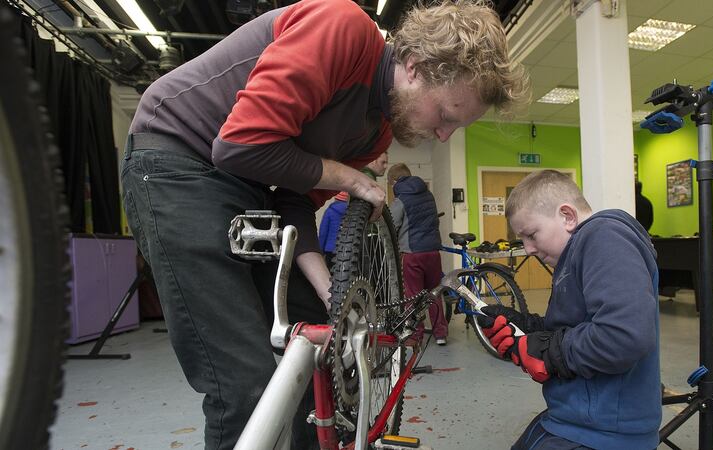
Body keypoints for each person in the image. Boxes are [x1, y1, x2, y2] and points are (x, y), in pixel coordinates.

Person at [120, 0, 528, 447]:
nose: (444, 134)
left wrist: (329, 290)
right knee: (244, 382)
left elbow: (294, 202)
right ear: (415, 66)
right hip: (176, 165)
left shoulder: (378, 131)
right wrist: (351, 178)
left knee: (319, 346)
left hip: (247, 189)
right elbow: (239, 145)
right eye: (447, 115)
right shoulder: (344, 29)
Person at [477, 170, 661, 449]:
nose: (527, 249)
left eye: (532, 235)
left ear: (567, 216)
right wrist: (527, 327)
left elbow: (624, 335)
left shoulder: (604, 237)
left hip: (602, 432)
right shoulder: (579, 250)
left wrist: (548, 352)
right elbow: (579, 324)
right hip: (577, 418)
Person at [388, 163, 448, 345]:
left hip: (412, 254)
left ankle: (416, 336)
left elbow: (391, 224)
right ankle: (441, 334)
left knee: (413, 297)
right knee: (434, 293)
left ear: (395, 181)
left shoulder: (400, 200)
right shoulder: (428, 194)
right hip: (433, 252)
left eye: (391, 183)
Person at [318, 191, 349, 267]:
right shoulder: (351, 213)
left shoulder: (330, 211)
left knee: (330, 275)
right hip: (347, 249)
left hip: (330, 249)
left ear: (336, 199)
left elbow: (323, 232)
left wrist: (320, 250)